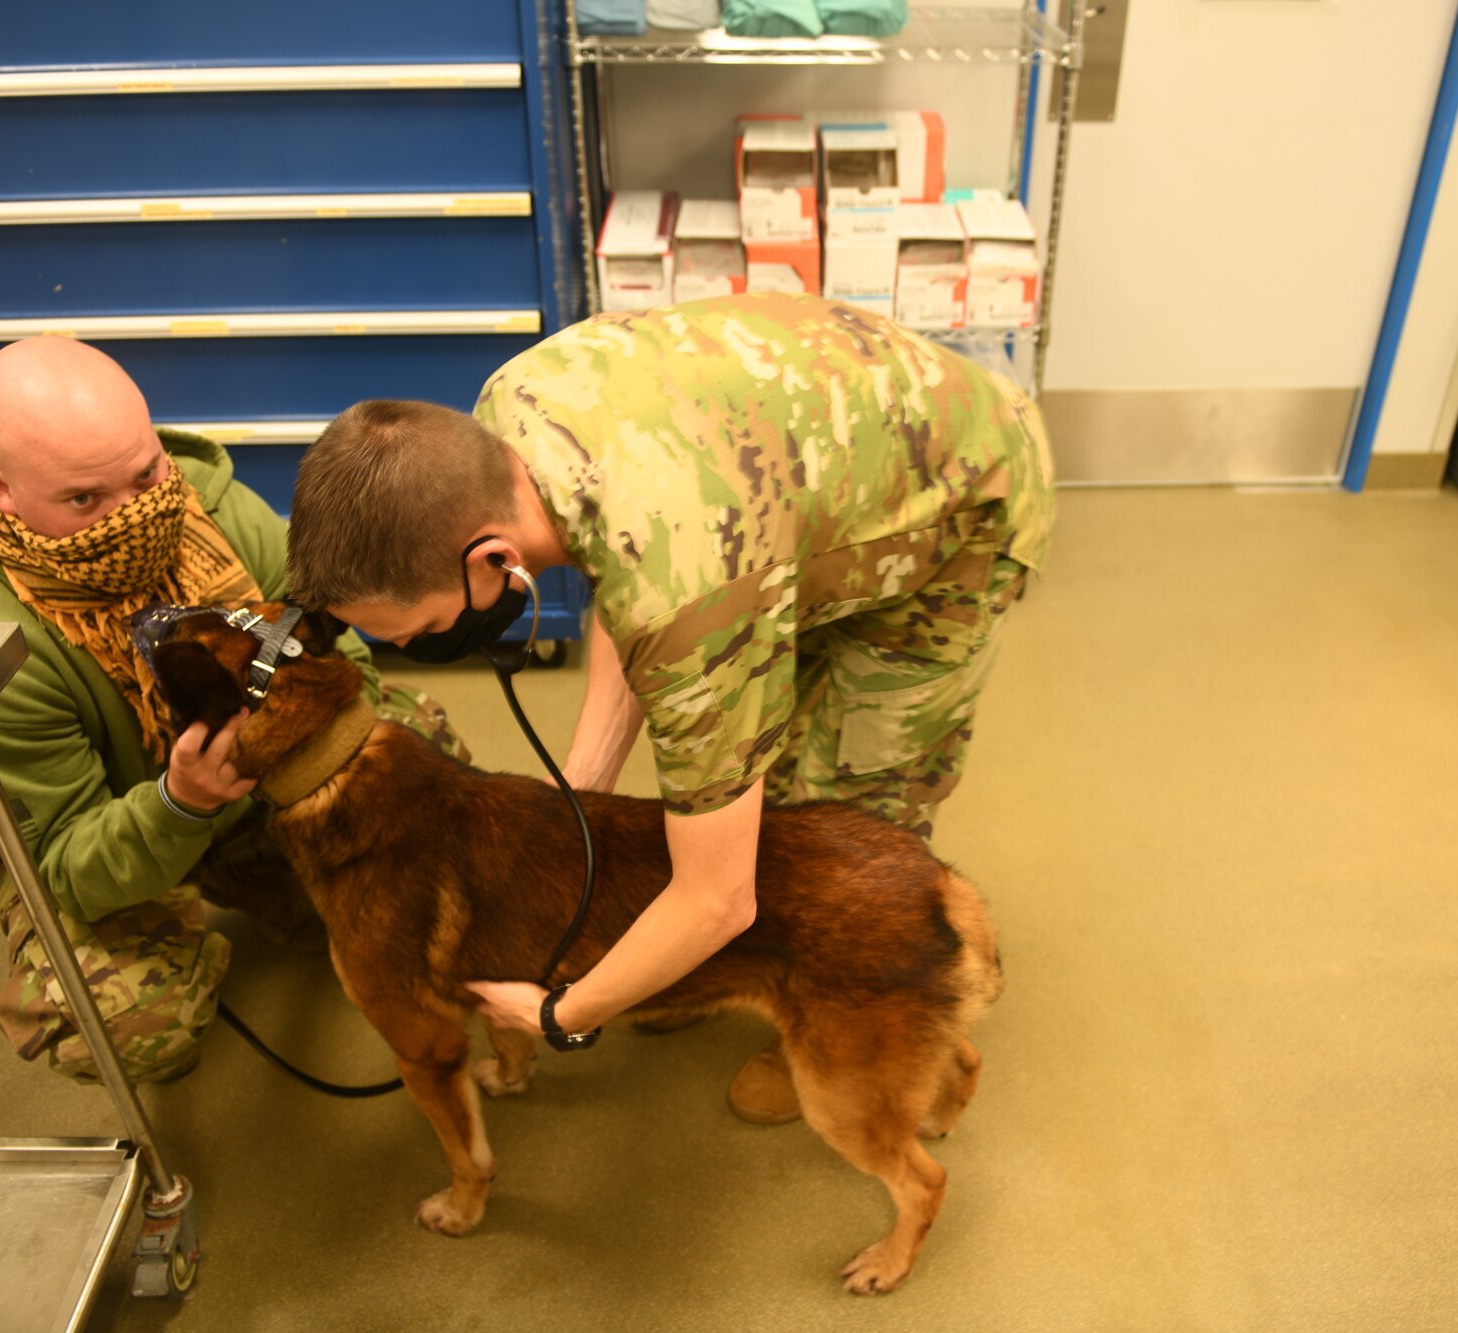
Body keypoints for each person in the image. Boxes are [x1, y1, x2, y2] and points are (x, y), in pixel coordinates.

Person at [286, 292, 1054, 1123]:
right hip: (795, 488)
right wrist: (579, 793)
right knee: (765, 770)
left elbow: (717, 889)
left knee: (856, 796)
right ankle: (712, 968)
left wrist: (561, 1012)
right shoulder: (495, 425)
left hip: (955, 505)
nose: (421, 647)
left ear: (495, 561)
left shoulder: (690, 595)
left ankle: (835, 1011)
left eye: (430, 626)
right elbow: (621, 564)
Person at [0, 336, 468, 1083]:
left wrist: (274, 752)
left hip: (247, 776)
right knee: (129, 1022)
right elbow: (68, 867)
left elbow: (342, 657)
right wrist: (180, 803)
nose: (134, 515)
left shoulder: (211, 503)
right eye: (85, 500)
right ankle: (175, 926)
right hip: (114, 826)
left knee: (421, 758)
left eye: (144, 474)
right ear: (4, 492)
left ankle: (259, 877)